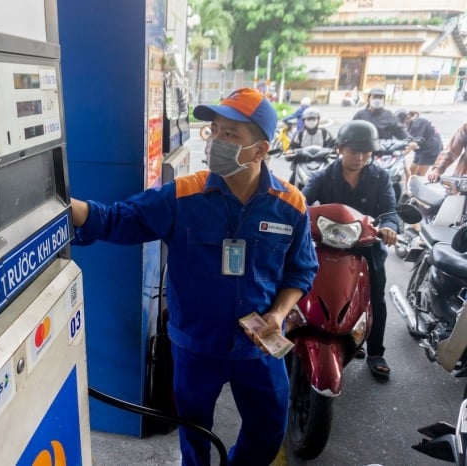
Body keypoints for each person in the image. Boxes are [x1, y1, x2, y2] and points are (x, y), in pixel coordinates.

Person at [70, 87, 318, 466]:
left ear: (260, 150)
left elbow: (301, 270)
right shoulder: (182, 196)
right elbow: (118, 219)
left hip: (258, 344)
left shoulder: (291, 205)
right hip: (195, 344)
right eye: (214, 130)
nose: (217, 140)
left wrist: (278, 315)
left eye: (230, 134)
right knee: (193, 433)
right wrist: (66, 207)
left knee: (268, 430)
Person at [301, 120, 399, 378]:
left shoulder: (380, 177)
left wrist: (389, 227)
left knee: (375, 296)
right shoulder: (323, 176)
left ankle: (376, 351)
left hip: (367, 247)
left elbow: (390, 211)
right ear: (340, 149)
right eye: (354, 151)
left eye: (366, 152)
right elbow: (301, 203)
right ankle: (333, 337)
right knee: (317, 290)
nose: (360, 157)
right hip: (328, 247)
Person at [394, 109, 443, 177]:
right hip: (421, 148)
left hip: (430, 149)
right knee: (411, 172)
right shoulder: (411, 123)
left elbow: (412, 145)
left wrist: (400, 155)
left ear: (406, 119)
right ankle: (407, 187)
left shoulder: (416, 124)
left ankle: (416, 186)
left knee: (418, 176)